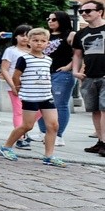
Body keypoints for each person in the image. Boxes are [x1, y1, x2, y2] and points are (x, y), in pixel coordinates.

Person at [0, 28, 66, 167]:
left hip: (46, 96)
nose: (39, 43)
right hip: (30, 97)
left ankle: (49, 156)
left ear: (47, 43)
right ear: (29, 42)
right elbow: (16, 76)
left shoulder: (48, 60)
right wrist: (17, 89)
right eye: (35, 40)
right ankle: (6, 146)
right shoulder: (24, 59)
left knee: (53, 125)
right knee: (27, 125)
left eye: (43, 41)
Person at [29, 11, 76, 146]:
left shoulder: (70, 35)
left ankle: (58, 135)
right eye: (48, 19)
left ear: (62, 20)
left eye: (54, 19)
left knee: (59, 104)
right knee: (41, 102)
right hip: (44, 74)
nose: (50, 21)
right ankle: (43, 132)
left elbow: (78, 54)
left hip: (61, 74)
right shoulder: (46, 36)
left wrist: (68, 67)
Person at [72, 0, 105, 157]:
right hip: (89, 76)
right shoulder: (81, 34)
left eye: (88, 11)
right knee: (95, 110)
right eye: (81, 12)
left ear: (100, 12)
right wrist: (75, 71)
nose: (84, 14)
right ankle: (100, 141)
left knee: (104, 109)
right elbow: (77, 55)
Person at [0, 25, 32, 150]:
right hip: (16, 85)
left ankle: (23, 130)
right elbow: (4, 68)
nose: (24, 38)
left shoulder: (33, 51)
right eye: (22, 35)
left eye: (27, 35)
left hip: (32, 87)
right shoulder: (11, 50)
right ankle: (20, 138)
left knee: (37, 111)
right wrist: (12, 85)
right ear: (16, 37)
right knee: (19, 111)